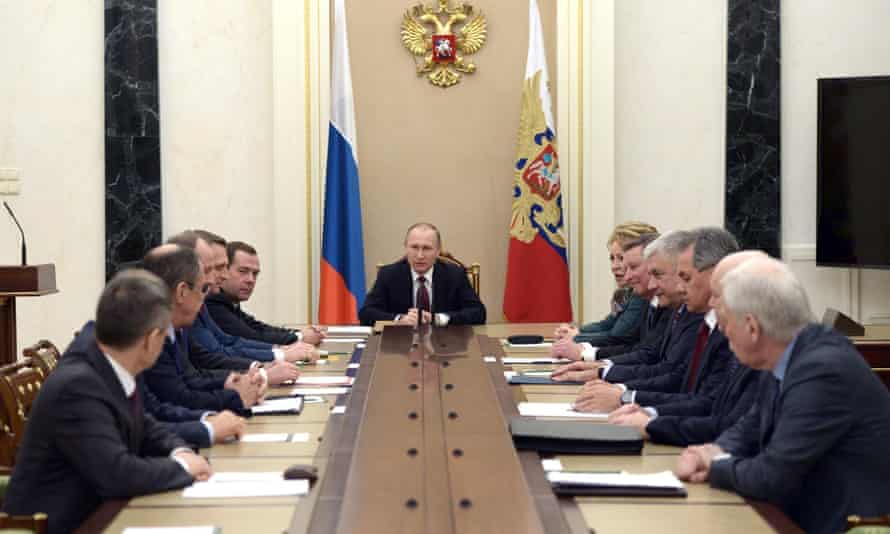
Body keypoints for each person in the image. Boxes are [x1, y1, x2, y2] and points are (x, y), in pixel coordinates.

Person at [674, 257, 890, 533]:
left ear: (752, 327)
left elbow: (771, 476)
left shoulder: (823, 370)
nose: (723, 332)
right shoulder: (785, 352)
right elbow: (749, 428)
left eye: (726, 322)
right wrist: (710, 451)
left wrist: (713, 467)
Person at [2, 270, 211, 533]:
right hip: (66, 525)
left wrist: (179, 452)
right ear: (150, 339)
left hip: (101, 514)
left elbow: (143, 425)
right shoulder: (78, 386)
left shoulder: (108, 362)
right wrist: (182, 467)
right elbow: (117, 475)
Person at [608, 250, 765, 445]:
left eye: (718, 295)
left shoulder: (777, 363)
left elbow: (723, 421)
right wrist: (646, 413)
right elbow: (709, 405)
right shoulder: (711, 325)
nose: (712, 303)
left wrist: (645, 416)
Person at [141, 244, 263, 413]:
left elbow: (192, 378)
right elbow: (178, 398)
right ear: (182, 292)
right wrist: (237, 397)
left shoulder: (174, 327)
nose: (213, 285)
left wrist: (230, 380)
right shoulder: (149, 334)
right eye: (203, 289)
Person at [551, 232, 667, 361]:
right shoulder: (633, 295)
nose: (616, 267)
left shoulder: (649, 299)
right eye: (612, 258)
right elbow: (609, 325)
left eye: (621, 259)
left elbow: (620, 336)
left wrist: (578, 341)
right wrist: (578, 334)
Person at [358, 222, 486, 326]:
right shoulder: (389, 274)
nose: (420, 255)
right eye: (414, 247)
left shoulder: (455, 275)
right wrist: (399, 319)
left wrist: (439, 319)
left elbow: (478, 313)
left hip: (445, 347)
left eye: (427, 248)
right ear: (406, 248)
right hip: (400, 347)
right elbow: (366, 314)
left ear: (437, 251)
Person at [207, 240, 325, 346]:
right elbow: (251, 337)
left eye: (255, 274)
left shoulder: (229, 301)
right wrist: (300, 337)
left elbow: (258, 328)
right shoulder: (213, 301)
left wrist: (299, 333)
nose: (250, 280)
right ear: (224, 271)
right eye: (243, 271)